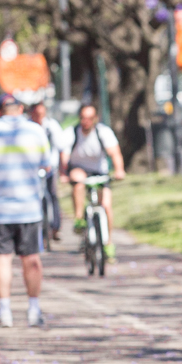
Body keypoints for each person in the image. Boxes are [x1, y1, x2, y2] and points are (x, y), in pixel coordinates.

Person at [0, 92, 53, 327]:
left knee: (3, 258)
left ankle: (5, 310)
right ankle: (33, 309)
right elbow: (47, 164)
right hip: (29, 207)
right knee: (31, 258)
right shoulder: (36, 131)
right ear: (20, 109)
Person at [64, 102, 126, 259]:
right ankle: (79, 218)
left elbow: (115, 153)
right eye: (83, 118)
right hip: (79, 169)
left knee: (105, 205)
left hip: (99, 172)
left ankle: (108, 242)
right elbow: (64, 157)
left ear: (95, 118)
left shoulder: (103, 132)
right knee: (77, 180)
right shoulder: (72, 133)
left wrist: (119, 170)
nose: (86, 121)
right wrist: (64, 173)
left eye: (90, 118)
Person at [28, 101, 71, 242]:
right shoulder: (27, 127)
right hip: (31, 169)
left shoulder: (51, 126)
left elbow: (61, 147)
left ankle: (55, 227)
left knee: (52, 195)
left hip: (49, 168)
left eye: (42, 113)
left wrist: (63, 171)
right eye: (36, 113)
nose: (39, 117)